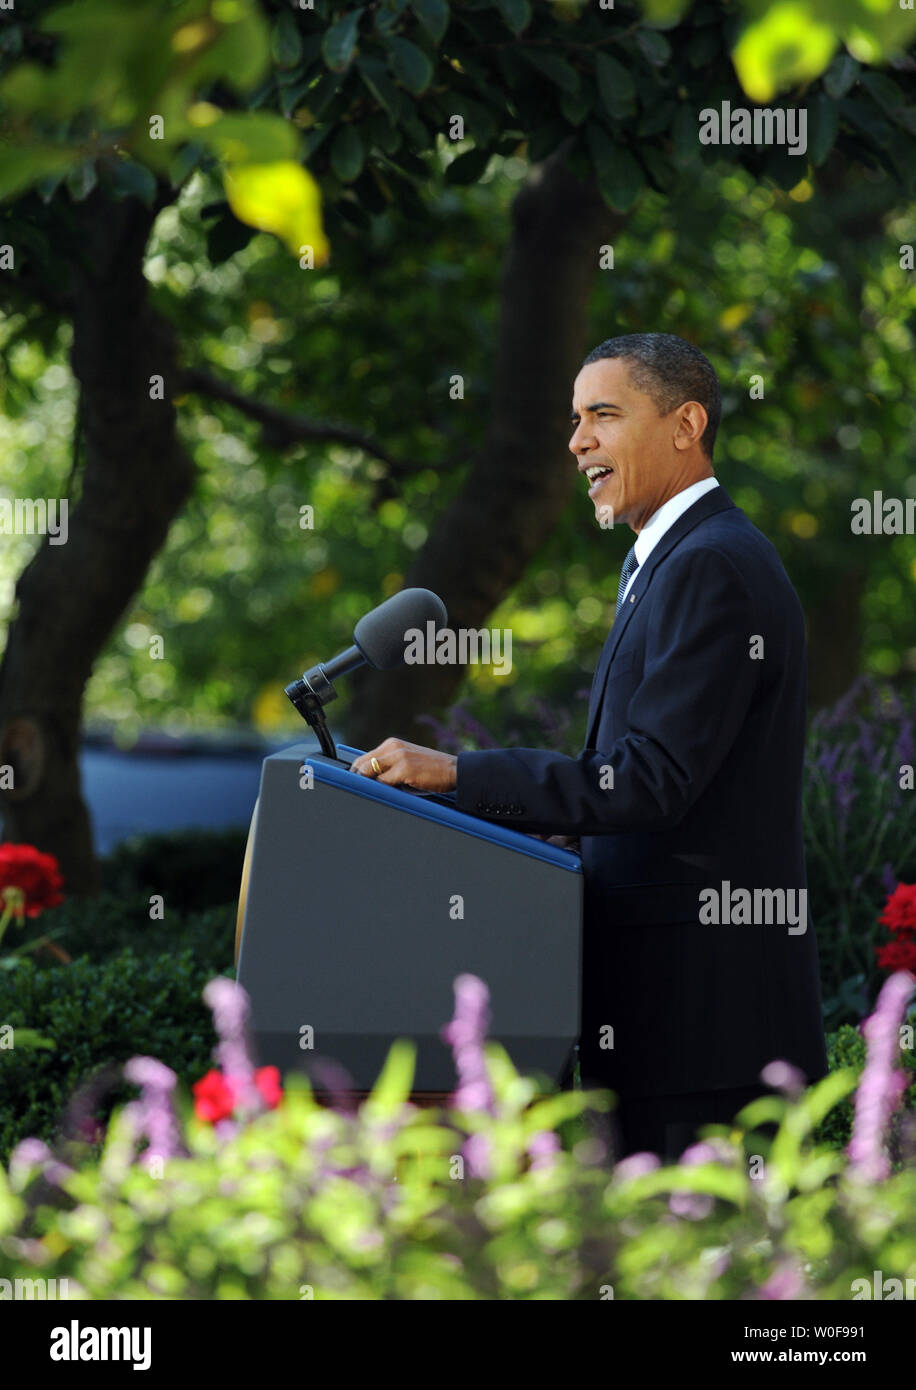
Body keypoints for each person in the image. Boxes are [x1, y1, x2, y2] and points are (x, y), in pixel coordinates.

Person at [351, 332, 828, 1161]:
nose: (576, 442)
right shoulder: (669, 560)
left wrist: (459, 775)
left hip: (701, 1029)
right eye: (574, 419)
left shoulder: (711, 564)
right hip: (666, 1022)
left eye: (602, 415)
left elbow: (652, 779)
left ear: (686, 425)